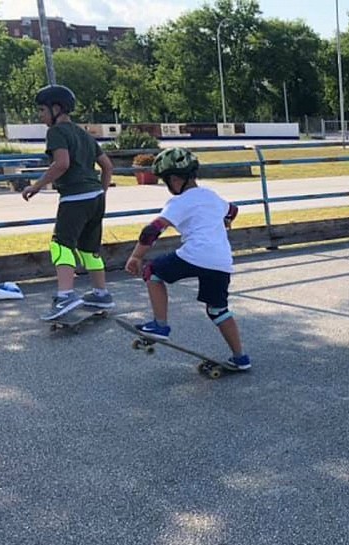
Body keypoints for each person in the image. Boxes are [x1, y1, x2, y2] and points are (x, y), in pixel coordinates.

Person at [123, 147, 250, 371]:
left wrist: (136, 257)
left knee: (152, 271)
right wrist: (225, 222)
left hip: (196, 254)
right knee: (217, 310)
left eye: (165, 181)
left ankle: (160, 326)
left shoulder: (180, 202)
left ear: (174, 179)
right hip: (221, 260)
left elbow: (152, 230)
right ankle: (240, 358)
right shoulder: (211, 196)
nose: (166, 186)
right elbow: (232, 210)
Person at [22, 84, 115, 320]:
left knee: (61, 245)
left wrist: (36, 185)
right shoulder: (83, 133)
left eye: (42, 110)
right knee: (89, 249)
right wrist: (100, 192)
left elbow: (61, 164)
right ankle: (101, 293)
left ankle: (65, 296)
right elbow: (107, 166)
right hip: (95, 197)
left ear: (56, 108)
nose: (40, 115)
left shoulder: (56, 132)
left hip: (74, 197)